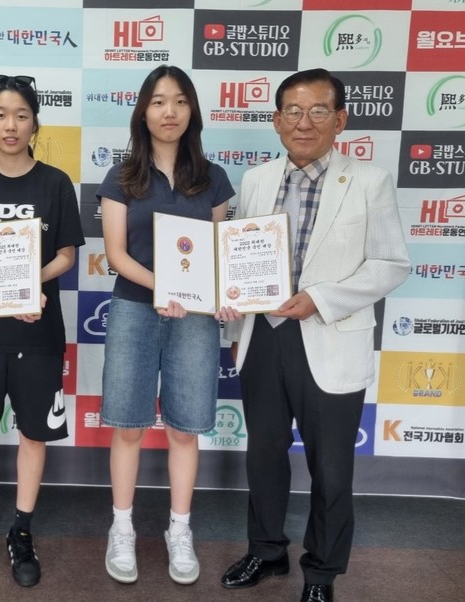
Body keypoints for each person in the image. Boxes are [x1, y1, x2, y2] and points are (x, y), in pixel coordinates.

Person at [215, 68, 410, 602]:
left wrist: (320, 299)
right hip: (262, 335)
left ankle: (321, 573)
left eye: (318, 111)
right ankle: (266, 550)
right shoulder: (256, 179)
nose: (304, 122)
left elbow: (390, 263)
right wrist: (233, 311)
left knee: (331, 467)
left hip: (330, 333)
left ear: (340, 120)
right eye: (293, 112)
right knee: (264, 454)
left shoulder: (369, 181)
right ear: (276, 120)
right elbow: (239, 257)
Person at [0, 74, 85, 588]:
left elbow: (66, 254)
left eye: (21, 115)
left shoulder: (55, 183)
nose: (11, 125)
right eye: (0, 114)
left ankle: (21, 530)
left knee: (33, 434)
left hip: (37, 330)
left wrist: (28, 284)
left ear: (35, 123)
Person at [97, 65, 235, 586]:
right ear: (143, 112)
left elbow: (219, 254)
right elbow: (115, 254)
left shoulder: (213, 179)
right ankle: (122, 528)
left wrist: (223, 295)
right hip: (135, 309)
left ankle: (180, 529)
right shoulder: (121, 177)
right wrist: (164, 287)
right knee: (129, 426)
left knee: (183, 428)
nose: (169, 111)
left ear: (192, 110)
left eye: (179, 101)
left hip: (194, 317)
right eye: (158, 102)